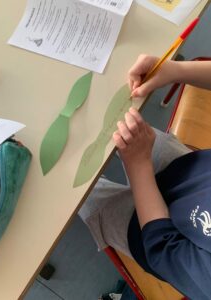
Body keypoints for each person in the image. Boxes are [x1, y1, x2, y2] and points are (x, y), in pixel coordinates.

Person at [79, 55, 211, 300]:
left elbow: (164, 247)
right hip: (186, 170)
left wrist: (138, 165)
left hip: (144, 228)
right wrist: (176, 70)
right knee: (112, 125)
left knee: (78, 192)